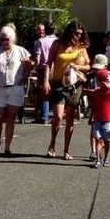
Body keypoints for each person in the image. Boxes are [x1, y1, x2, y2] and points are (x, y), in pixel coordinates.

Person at [43, 20, 90, 160]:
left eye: (81, 34)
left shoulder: (81, 47)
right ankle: (52, 144)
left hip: (75, 85)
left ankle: (66, 149)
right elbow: (49, 62)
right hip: (58, 83)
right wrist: (46, 81)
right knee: (57, 116)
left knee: (70, 119)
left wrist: (78, 67)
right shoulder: (57, 44)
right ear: (70, 32)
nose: (79, 36)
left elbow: (88, 66)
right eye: (76, 33)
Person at [0, 25, 33, 155]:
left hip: (15, 87)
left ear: (12, 39)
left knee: (11, 118)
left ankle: (7, 147)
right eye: (2, 39)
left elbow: (28, 65)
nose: (4, 42)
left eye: (7, 39)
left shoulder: (21, 51)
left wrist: (24, 78)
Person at [33, 23, 57, 124]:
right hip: (56, 68)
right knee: (55, 91)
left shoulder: (40, 41)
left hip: (43, 68)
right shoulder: (58, 41)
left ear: (45, 30)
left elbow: (38, 58)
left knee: (44, 92)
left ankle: (44, 116)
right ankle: (55, 115)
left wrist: (35, 67)